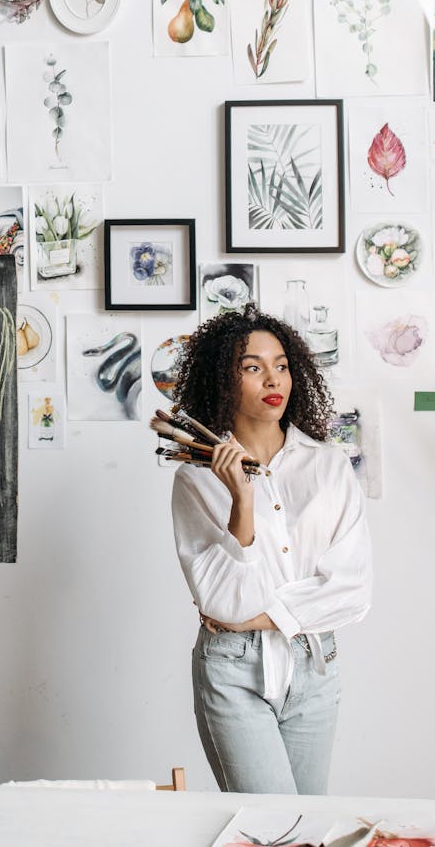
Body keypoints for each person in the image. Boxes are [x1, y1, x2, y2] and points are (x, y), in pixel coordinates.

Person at [170, 307, 372, 795]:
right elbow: (224, 604)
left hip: (315, 666)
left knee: (305, 828)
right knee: (267, 828)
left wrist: (262, 617)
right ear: (224, 380)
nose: (272, 378)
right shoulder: (196, 479)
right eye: (252, 367)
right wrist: (242, 499)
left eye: (280, 365)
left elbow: (353, 591)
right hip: (232, 668)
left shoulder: (329, 467)